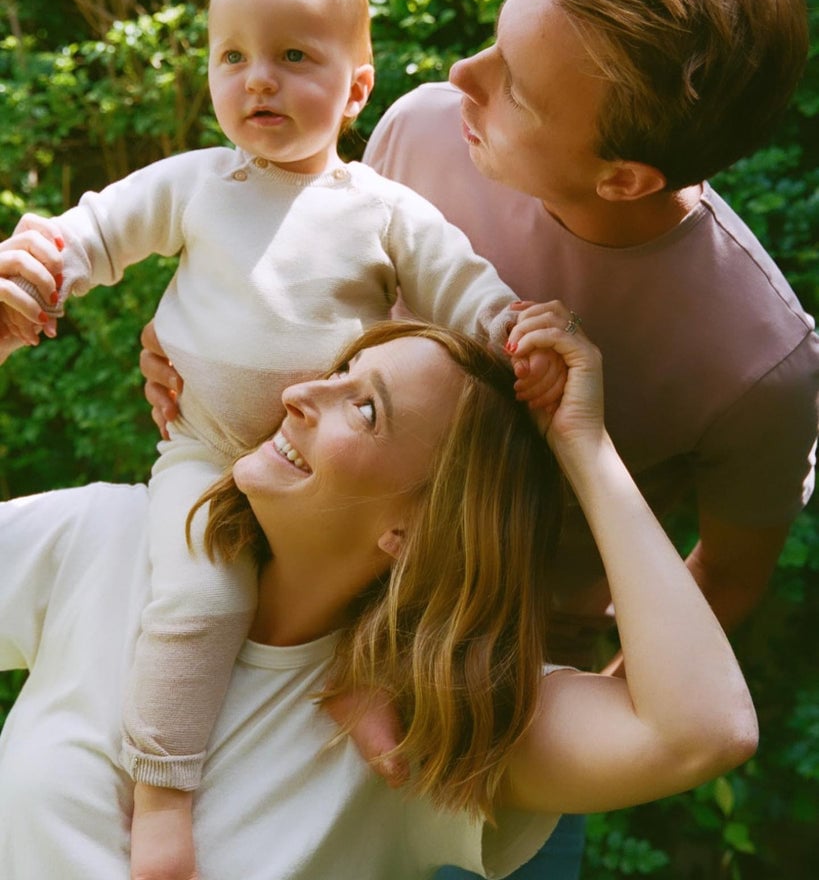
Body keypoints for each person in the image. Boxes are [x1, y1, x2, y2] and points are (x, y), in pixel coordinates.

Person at [136, 0, 819, 880]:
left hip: (476, 717)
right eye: (495, 41)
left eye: (519, 89)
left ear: (624, 175)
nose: (463, 76)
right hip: (282, 631)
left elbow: (725, 580)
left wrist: (561, 746)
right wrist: (191, 340)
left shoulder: (760, 362)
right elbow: (312, 304)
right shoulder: (427, 130)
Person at [0, 0, 565, 880]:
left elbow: (466, 294)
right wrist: (41, 267)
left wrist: (524, 334)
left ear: (355, 89)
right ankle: (164, 802)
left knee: (397, 580)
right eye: (233, 57)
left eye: (294, 58)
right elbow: (95, 230)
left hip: (334, 481)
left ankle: (380, 716)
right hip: (208, 452)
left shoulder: (383, 211)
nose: (257, 80)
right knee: (201, 591)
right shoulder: (196, 183)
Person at [0, 239, 758, 878]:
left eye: (363, 409)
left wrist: (583, 447)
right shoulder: (109, 538)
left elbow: (701, 732)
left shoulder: (418, 729)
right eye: (333, 373)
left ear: (416, 530)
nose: (301, 394)